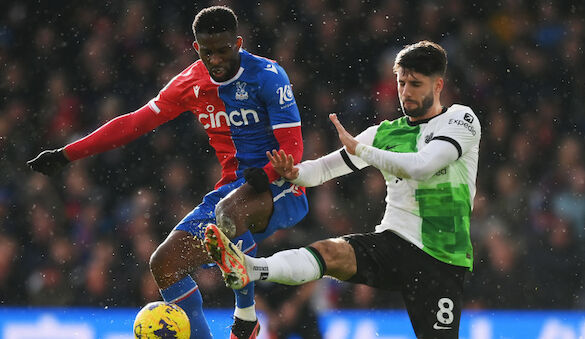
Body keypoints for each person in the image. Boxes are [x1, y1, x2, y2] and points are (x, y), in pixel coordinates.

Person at [27, 6, 309, 339]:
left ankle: (245, 316)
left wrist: (265, 173)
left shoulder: (268, 75)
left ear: (238, 42)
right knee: (164, 264)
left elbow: (293, 148)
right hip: (230, 191)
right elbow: (134, 123)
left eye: (223, 50)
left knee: (231, 213)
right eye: (208, 52)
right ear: (196, 48)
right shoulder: (190, 83)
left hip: (279, 187)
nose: (216, 59)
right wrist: (67, 154)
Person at [205, 40, 481, 339]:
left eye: (415, 83)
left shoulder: (460, 120)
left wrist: (363, 151)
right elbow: (324, 169)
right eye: (401, 82)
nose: (406, 91)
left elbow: (422, 166)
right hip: (394, 242)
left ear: (438, 85)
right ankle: (250, 267)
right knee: (329, 253)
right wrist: (294, 172)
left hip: (441, 259)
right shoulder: (384, 133)